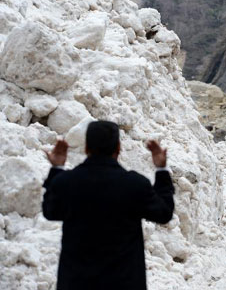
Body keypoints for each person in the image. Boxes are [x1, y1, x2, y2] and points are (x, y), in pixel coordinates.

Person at [42, 120, 175, 290]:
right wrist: (162, 171)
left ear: (87, 148)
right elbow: (163, 213)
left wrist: (57, 168)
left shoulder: (67, 182)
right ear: (118, 148)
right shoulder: (135, 184)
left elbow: (50, 211)